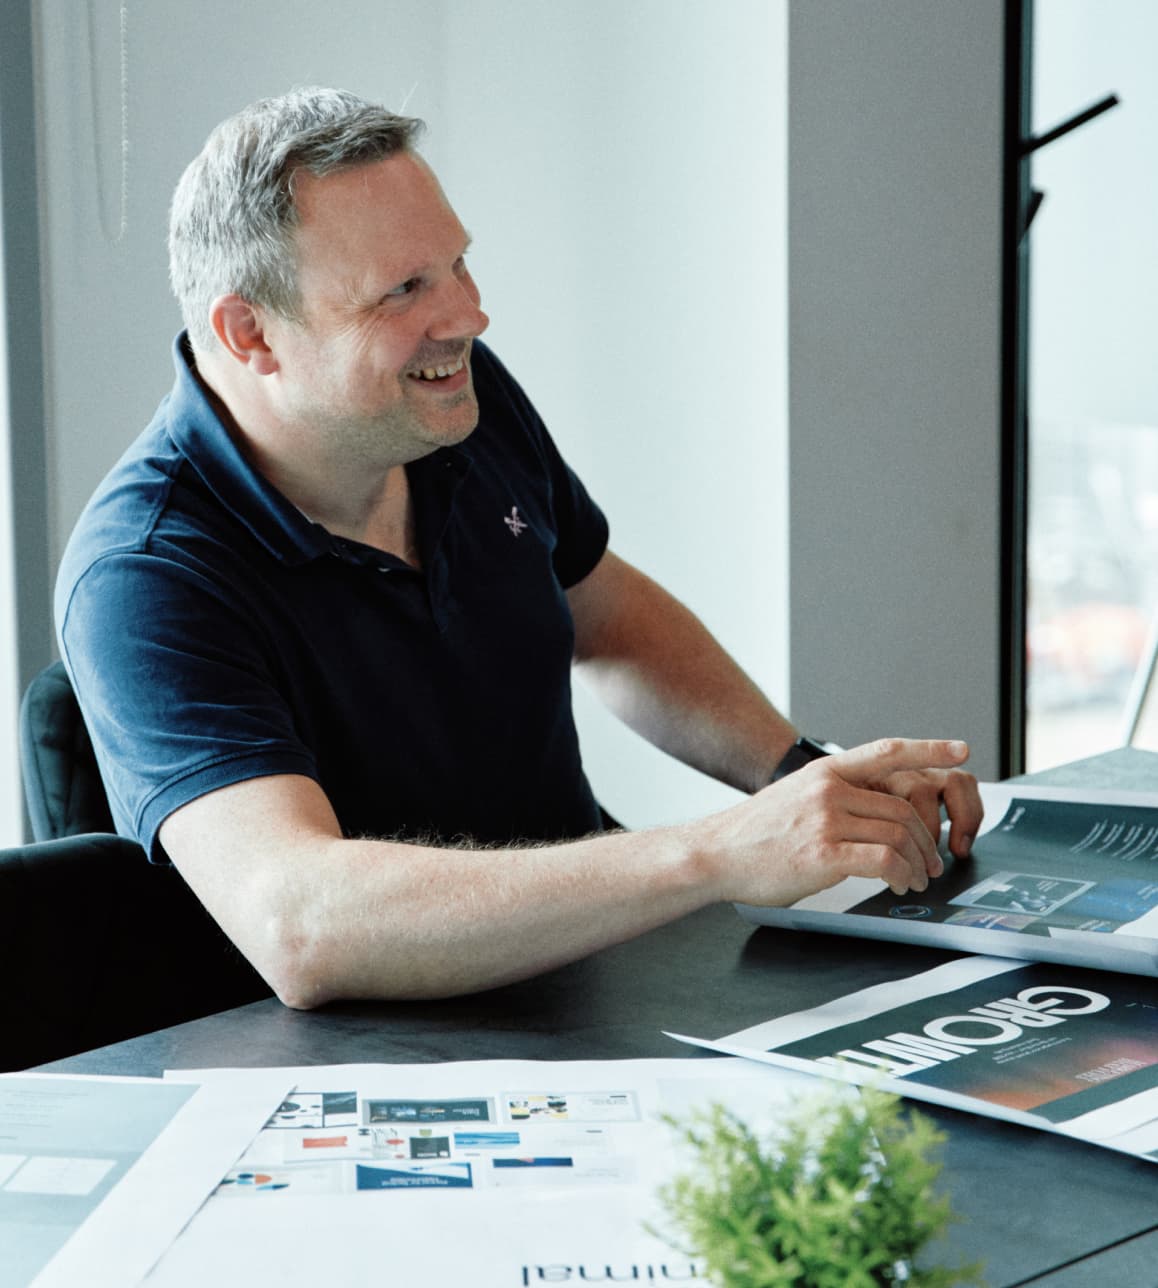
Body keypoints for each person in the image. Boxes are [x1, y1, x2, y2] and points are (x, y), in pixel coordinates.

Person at [55, 87, 983, 1009]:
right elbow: (301, 923)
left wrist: (803, 778)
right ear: (249, 332)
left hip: (589, 967)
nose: (468, 316)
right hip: (372, 1055)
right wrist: (718, 851)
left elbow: (608, 616)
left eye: (458, 264)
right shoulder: (142, 574)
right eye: (405, 289)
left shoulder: (450, 398)